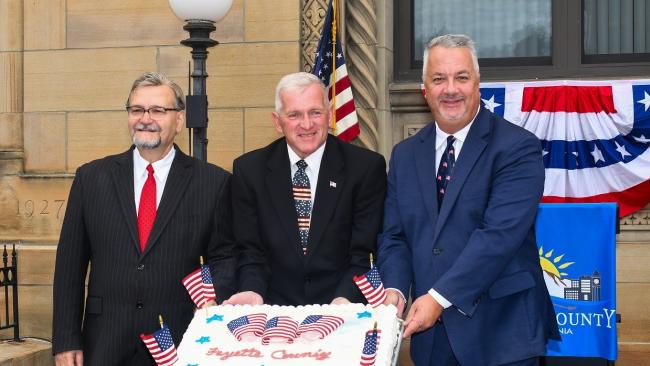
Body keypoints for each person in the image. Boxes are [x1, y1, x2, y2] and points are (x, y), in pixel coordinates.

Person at [377, 34, 560, 366]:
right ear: (424, 89)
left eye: (461, 77)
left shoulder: (518, 147)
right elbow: (395, 236)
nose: (450, 89)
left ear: (478, 84)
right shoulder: (404, 155)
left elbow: (499, 236)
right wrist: (396, 292)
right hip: (432, 342)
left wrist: (437, 297)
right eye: (438, 79)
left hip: (502, 335)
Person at [52, 72, 236, 365]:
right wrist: (65, 340)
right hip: (104, 341)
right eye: (137, 109)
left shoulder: (213, 182)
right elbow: (69, 267)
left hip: (180, 339)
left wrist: (212, 300)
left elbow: (224, 258)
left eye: (158, 110)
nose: (145, 118)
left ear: (178, 120)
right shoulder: (91, 178)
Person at [224, 72, 386, 306]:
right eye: (294, 115)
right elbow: (250, 251)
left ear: (329, 115)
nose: (307, 124)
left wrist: (345, 299)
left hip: (342, 311)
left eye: (315, 112)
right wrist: (252, 291)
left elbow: (364, 253)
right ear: (277, 122)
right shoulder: (249, 171)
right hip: (274, 313)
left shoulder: (365, 168)